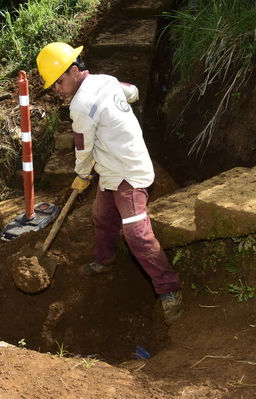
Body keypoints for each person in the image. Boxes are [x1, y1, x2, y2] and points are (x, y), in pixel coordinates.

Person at [36, 42, 184, 323]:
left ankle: (169, 289)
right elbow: (133, 92)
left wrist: (81, 175)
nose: (57, 89)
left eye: (59, 81)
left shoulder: (80, 106)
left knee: (137, 235)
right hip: (111, 170)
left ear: (74, 69)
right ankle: (104, 261)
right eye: (53, 84)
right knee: (101, 216)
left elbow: (83, 148)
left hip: (128, 172)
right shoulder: (107, 81)